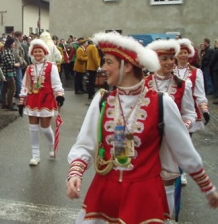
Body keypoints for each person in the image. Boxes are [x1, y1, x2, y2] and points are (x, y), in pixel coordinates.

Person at [66, 31, 218, 224]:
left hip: (144, 197)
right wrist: (75, 174)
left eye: (109, 62)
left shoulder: (162, 103)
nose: (103, 68)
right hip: (105, 193)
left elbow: (184, 152)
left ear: (127, 66)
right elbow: (85, 144)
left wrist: (208, 189)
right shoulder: (102, 100)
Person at [145, 39, 197, 196]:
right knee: (147, 184)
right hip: (148, 144)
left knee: (168, 186)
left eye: (171, 58)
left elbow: (190, 112)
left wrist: (184, 125)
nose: (170, 62)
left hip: (170, 144)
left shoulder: (183, 85)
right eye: (164, 58)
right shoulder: (144, 84)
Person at [18, 39, 64, 166]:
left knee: (45, 128)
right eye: (35, 51)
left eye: (40, 51)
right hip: (33, 99)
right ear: (32, 54)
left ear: (45, 53)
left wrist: (59, 95)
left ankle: (51, 144)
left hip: (47, 99)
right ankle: (35, 155)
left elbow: (56, 83)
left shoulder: (51, 67)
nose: (38, 54)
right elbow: (25, 85)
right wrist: (22, 100)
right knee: (33, 129)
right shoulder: (29, 68)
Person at [174, 38, 210, 135]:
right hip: (173, 111)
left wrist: (204, 110)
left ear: (189, 53)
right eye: (180, 53)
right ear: (176, 55)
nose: (183, 55)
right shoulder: (170, 71)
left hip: (189, 112)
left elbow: (200, 93)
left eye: (185, 52)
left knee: (186, 141)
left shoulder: (196, 72)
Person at [1, 37, 19, 111]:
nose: (14, 44)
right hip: (9, 73)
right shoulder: (8, 52)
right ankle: (10, 104)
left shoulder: (7, 51)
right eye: (13, 43)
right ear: (10, 43)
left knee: (5, 89)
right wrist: (17, 64)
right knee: (12, 89)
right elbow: (10, 64)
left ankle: (5, 103)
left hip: (7, 73)